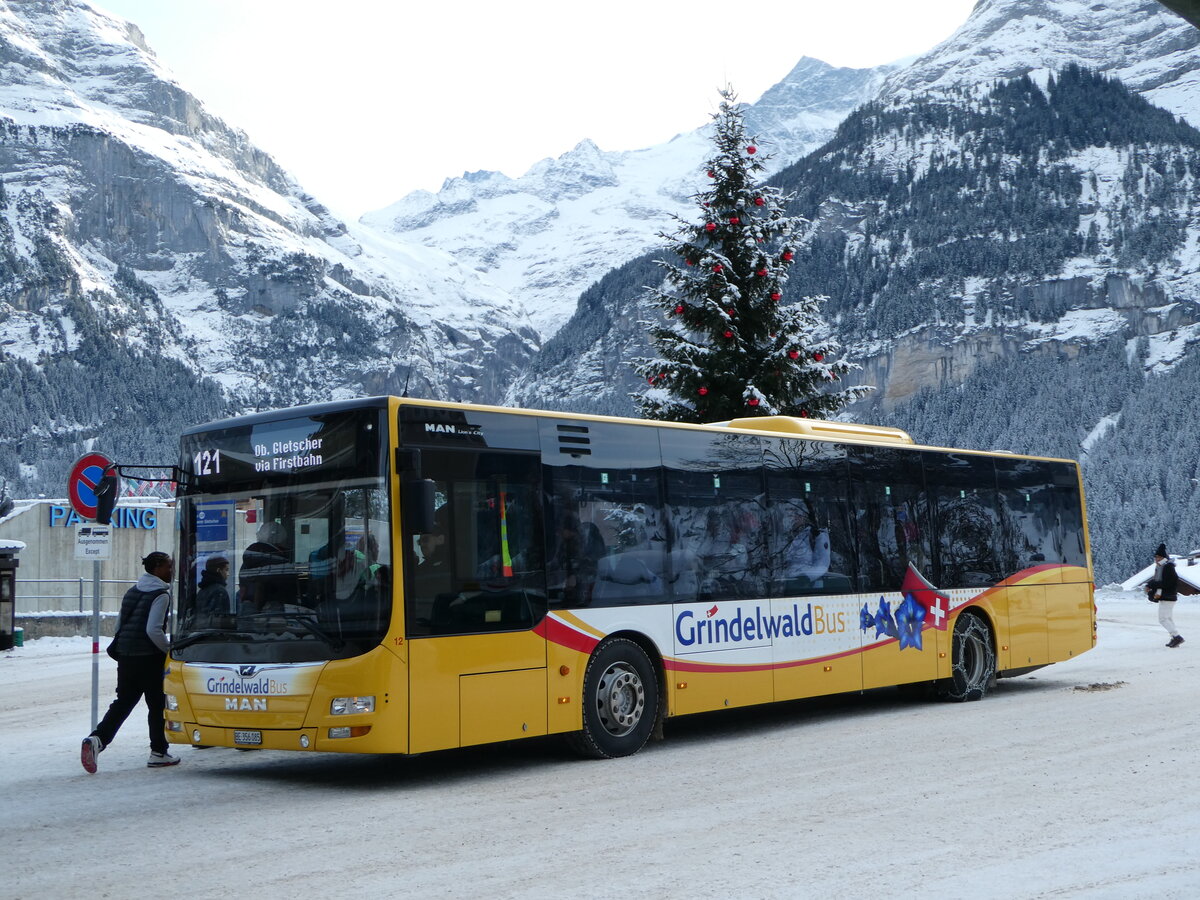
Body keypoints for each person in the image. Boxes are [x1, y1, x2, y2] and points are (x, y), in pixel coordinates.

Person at [81, 551, 180, 773]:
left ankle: (97, 739)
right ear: (157, 568)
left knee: (123, 702)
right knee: (157, 705)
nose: (171, 571)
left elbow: (119, 626)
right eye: (168, 566)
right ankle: (159, 752)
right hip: (149, 658)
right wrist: (168, 650)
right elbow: (153, 629)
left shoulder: (132, 591)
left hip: (126, 656)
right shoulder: (161, 595)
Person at [1146, 543, 1184, 648]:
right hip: (1167, 596)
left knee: (1162, 619)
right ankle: (1174, 637)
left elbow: (1167, 583)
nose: (1156, 559)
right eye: (1156, 557)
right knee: (1168, 618)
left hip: (1168, 596)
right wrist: (1150, 584)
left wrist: (1152, 585)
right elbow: (1159, 581)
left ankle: (1176, 637)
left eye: (1158, 557)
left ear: (1164, 557)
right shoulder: (1161, 567)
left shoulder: (1167, 567)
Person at [193, 556, 230, 627]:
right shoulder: (220, 591)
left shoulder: (202, 590)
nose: (228, 574)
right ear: (218, 570)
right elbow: (219, 620)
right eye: (226, 570)